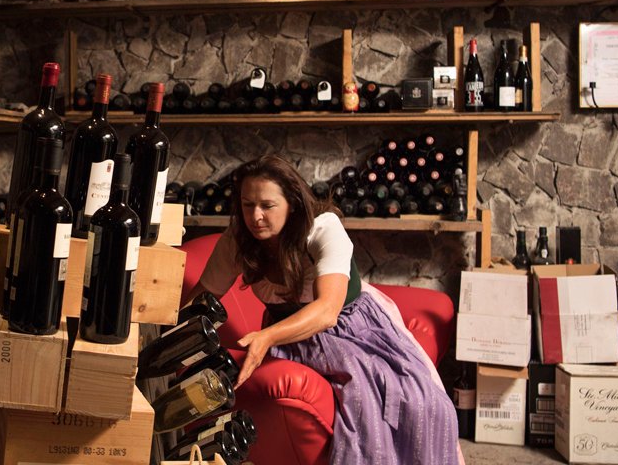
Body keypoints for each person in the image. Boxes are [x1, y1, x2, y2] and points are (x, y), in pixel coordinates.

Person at [180, 155, 462, 464]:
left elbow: (328, 311)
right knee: (364, 412)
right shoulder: (238, 239)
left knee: (419, 403)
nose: (256, 216)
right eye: (248, 205)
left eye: (267, 206)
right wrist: (166, 333)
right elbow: (200, 302)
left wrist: (266, 337)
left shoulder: (322, 227)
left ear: (293, 204)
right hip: (290, 335)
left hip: (352, 330)